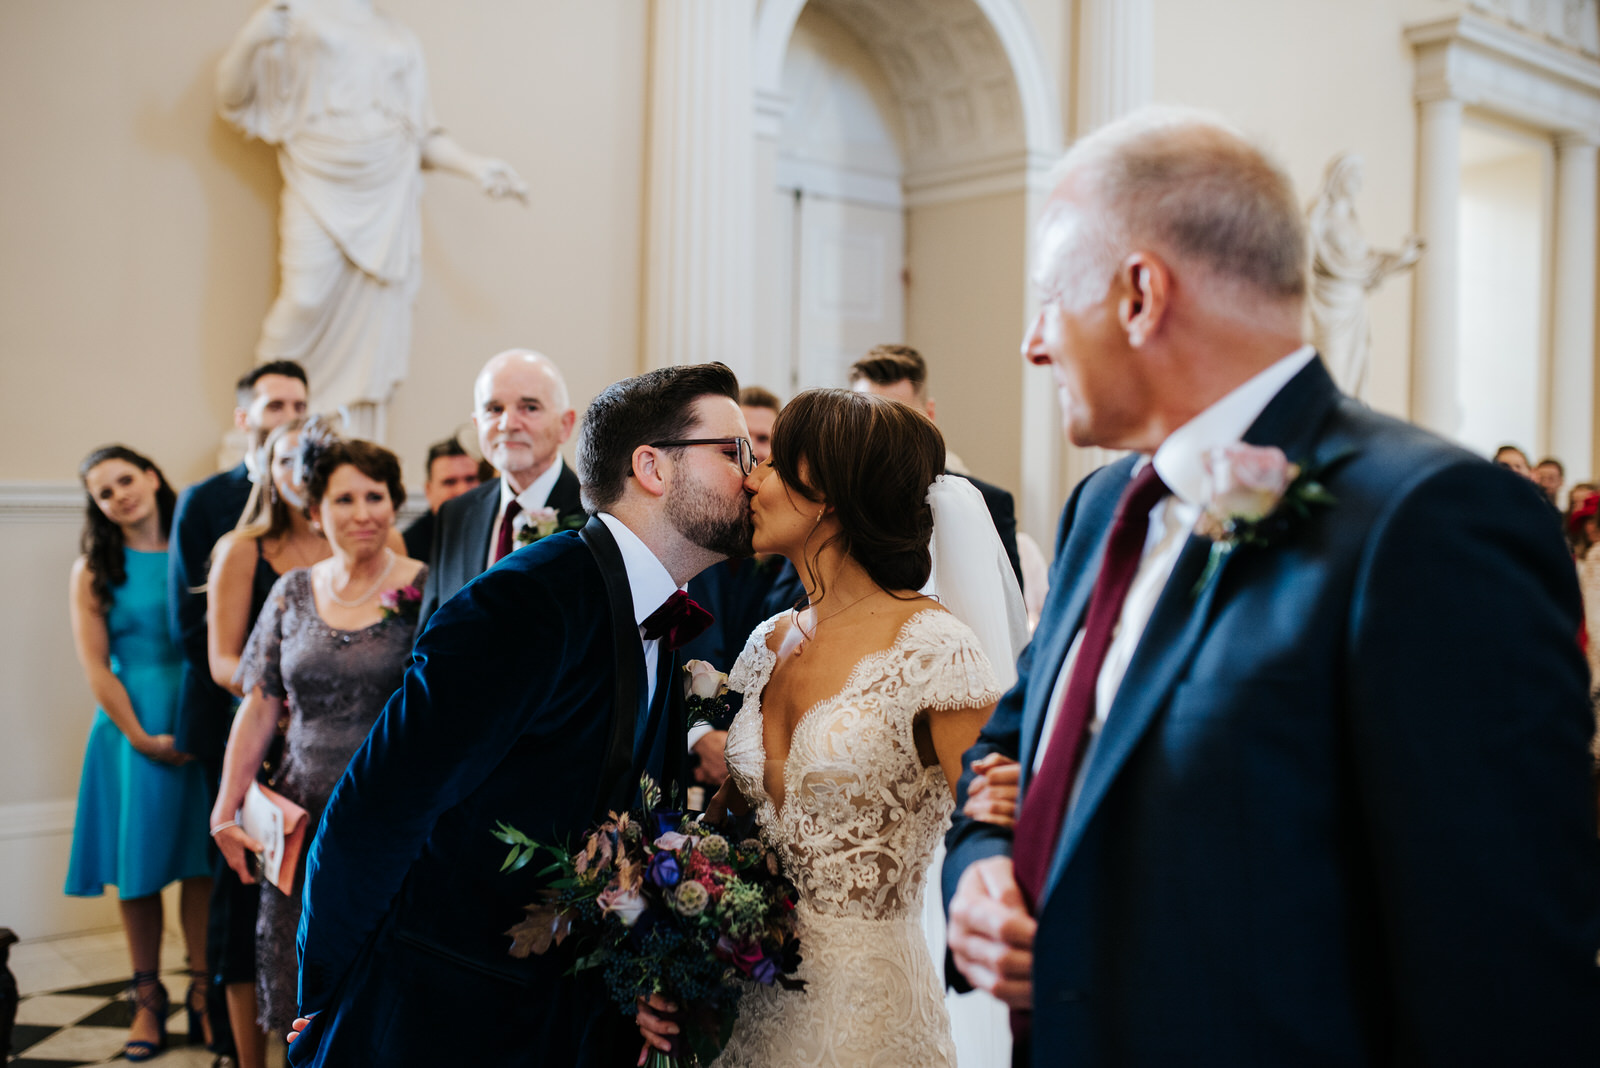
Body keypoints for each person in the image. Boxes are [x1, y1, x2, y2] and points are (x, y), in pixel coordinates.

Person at [943, 108, 1600, 1064]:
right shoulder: (1103, 508)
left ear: (1139, 294)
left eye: (1049, 298)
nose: (1033, 344)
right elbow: (1014, 743)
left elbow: (1499, 964)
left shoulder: (1431, 520)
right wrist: (981, 867)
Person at [285, 364, 754, 1067]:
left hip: (551, 1017)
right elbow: (375, 811)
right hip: (441, 1013)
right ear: (652, 467)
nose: (754, 474)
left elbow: (613, 831)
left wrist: (642, 976)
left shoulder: (655, 613)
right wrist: (326, 992)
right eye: (734, 452)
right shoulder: (526, 602)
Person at [638, 389, 1011, 1066]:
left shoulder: (935, 651)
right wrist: (669, 937)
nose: (751, 478)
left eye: (775, 464)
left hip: (868, 1021)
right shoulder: (767, 642)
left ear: (831, 494)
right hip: (744, 1010)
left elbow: (998, 829)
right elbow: (729, 828)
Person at [210, 419, 426, 1041]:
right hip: (298, 817)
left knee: (378, 985)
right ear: (313, 510)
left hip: (387, 819)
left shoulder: (424, 587)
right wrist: (227, 806)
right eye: (344, 498)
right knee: (298, 984)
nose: (363, 513)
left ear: (394, 502)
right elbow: (261, 705)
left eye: (375, 496)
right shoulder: (290, 591)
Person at [216, 0, 527, 419]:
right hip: (318, 170)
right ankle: (262, 421)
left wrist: (475, 167)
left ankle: (348, 433)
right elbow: (234, 98)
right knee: (304, 299)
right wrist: (253, 37)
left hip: (387, 181)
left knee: (373, 324)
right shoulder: (295, 16)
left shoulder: (397, 35)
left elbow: (421, 134)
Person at [65, 446, 213, 1062]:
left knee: (203, 864)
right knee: (140, 869)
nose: (120, 494)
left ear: (151, 477)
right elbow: (95, 665)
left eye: (127, 479)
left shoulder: (199, 550)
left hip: (202, 725)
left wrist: (199, 728)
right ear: (97, 506)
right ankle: (147, 1000)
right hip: (131, 739)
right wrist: (140, 736)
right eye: (105, 491)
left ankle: (205, 993)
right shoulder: (95, 569)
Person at [203, 418, 330, 1068]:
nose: (300, 471)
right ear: (267, 469)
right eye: (287, 460)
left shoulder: (362, 534)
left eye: (313, 459)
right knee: (251, 910)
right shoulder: (243, 548)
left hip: (340, 751)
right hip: (268, 751)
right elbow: (224, 659)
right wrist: (282, 695)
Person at [170, 360, 308, 772]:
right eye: (276, 406)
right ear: (244, 418)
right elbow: (190, 625)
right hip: (227, 708)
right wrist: (263, 700)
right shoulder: (204, 500)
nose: (291, 417)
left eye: (300, 406)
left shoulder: (325, 503)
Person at [418, 349, 584, 626]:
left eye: (529, 407)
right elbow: (428, 639)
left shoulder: (598, 514)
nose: (508, 424)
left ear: (564, 425)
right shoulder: (455, 514)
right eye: (494, 409)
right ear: (477, 424)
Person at [680, 385, 788, 788]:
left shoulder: (788, 553)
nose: (754, 454)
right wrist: (699, 735)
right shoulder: (692, 538)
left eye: (765, 441)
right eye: (741, 444)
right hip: (685, 762)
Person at [848, 345, 1023, 583]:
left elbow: (1008, 608)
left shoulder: (990, 503)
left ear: (929, 414)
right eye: (865, 419)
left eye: (898, 418)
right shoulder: (833, 502)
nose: (880, 435)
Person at [402, 438, 483, 562]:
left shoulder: (501, 532)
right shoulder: (409, 547)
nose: (462, 491)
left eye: (470, 479)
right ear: (429, 490)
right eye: (449, 482)